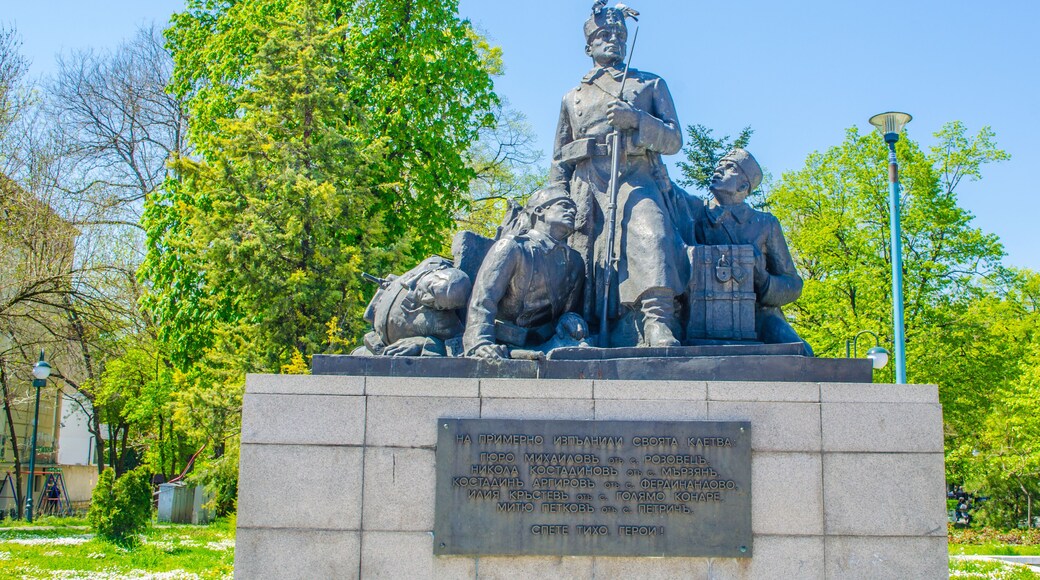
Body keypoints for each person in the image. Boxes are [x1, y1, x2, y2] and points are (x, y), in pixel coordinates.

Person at [549, 1, 691, 347]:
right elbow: (558, 157)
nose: (612, 39)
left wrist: (637, 120)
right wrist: (557, 196)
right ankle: (572, 324)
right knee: (581, 254)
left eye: (618, 34)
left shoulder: (650, 84)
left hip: (635, 174)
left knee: (652, 233)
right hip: (586, 183)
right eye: (603, 34)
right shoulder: (573, 97)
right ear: (589, 46)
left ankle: (657, 319)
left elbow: (673, 140)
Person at [694, 148, 812, 354]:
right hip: (703, 312)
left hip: (759, 315)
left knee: (802, 353)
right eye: (719, 164)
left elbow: (793, 284)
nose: (719, 169)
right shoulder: (695, 212)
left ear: (743, 185)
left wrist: (763, 278)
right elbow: (665, 188)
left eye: (729, 167)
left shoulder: (765, 224)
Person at [464, 186, 585, 359]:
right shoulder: (513, 247)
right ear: (539, 210)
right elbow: (484, 298)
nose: (572, 211)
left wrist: (571, 318)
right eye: (564, 205)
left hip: (547, 341)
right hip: (502, 342)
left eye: (574, 208)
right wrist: (481, 342)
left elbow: (566, 311)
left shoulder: (575, 261)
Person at [360, 257, 471, 356]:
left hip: (393, 357)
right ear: (435, 272)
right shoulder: (428, 266)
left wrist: (424, 344)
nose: (427, 299)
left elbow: (463, 346)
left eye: (436, 304)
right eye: (432, 290)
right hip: (372, 342)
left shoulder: (443, 322)